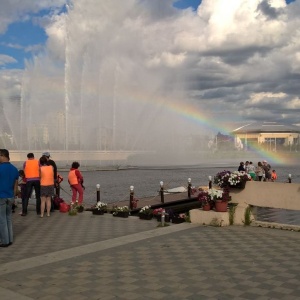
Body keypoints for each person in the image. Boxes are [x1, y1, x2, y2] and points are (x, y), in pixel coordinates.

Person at [0, 149, 19, 247]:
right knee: (8, 218)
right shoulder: (14, 169)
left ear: (2, 156)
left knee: (2, 219)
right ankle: (10, 239)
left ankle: (4, 241)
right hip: (10, 196)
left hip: (1, 196)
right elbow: (16, 185)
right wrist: (14, 197)